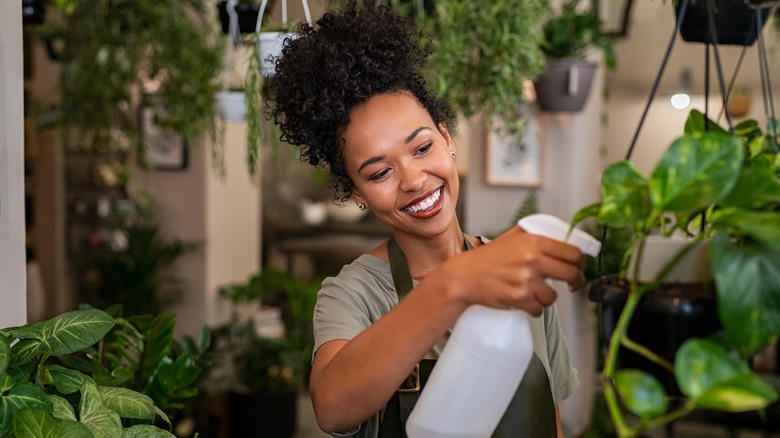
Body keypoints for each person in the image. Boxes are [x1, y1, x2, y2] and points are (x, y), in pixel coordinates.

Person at [267, 2, 587, 437]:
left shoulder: (517, 273)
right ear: (356, 193)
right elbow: (333, 408)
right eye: (380, 173)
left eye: (422, 148)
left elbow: (549, 420)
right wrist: (454, 283)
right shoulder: (355, 295)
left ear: (446, 137)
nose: (414, 180)